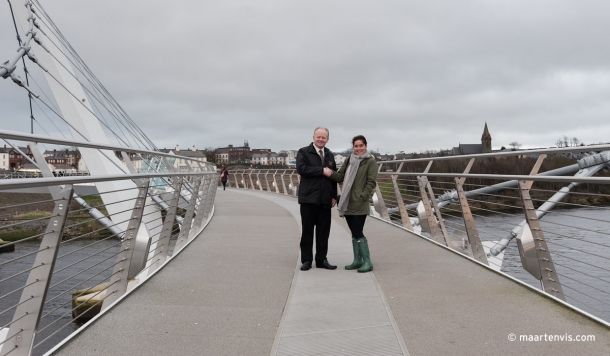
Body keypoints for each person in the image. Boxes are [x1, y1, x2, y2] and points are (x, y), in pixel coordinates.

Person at [323, 135, 377, 272]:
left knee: (358, 232)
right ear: (353, 147)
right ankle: (358, 260)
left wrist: (362, 196)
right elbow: (340, 176)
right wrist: (329, 173)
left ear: (366, 146)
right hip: (347, 202)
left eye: (361, 145)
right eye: (356, 146)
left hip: (359, 202)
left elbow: (371, 182)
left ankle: (368, 262)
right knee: (354, 233)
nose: (358, 148)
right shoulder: (349, 160)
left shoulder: (370, 161)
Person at [296, 127, 338, 271]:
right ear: (313, 137)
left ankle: (321, 259)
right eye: (318, 137)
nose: (321, 139)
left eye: (323, 137)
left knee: (323, 232)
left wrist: (334, 196)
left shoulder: (330, 155)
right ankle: (306, 260)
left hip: (325, 199)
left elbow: (333, 176)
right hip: (308, 199)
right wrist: (321, 170)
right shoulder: (303, 152)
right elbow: (301, 169)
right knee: (307, 231)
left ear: (327, 139)